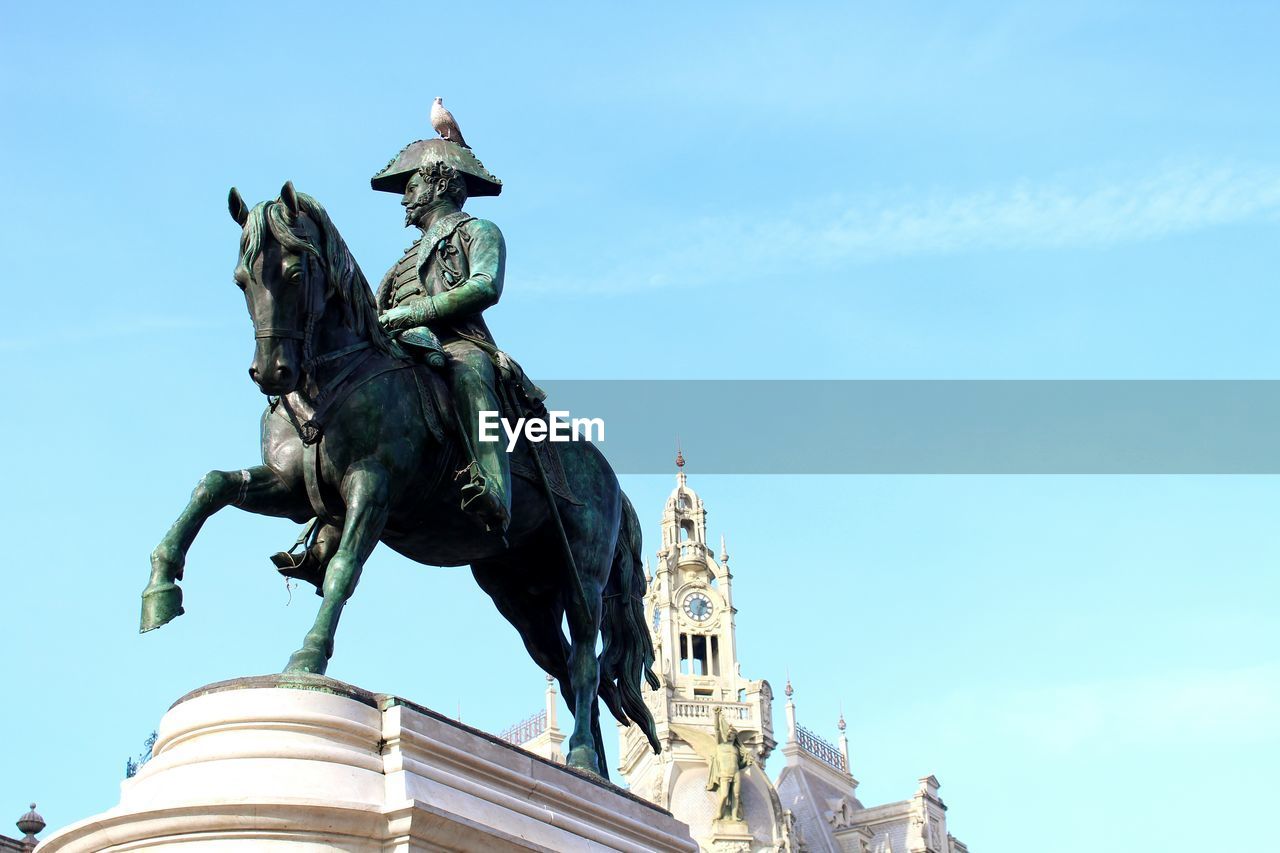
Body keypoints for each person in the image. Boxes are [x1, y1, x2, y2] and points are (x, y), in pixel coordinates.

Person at [370, 137, 512, 533]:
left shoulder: (479, 231)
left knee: (469, 375)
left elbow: (485, 286)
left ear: (440, 185)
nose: (404, 200)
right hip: (404, 345)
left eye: (411, 188)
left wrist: (418, 311)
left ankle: (494, 487)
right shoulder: (402, 259)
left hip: (459, 343)